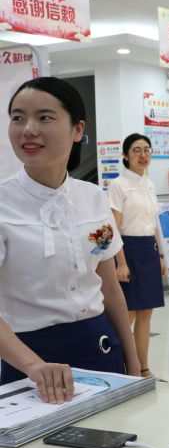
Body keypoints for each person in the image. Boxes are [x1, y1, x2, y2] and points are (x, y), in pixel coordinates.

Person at [0, 77, 140, 393]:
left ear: (78, 130)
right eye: (18, 118)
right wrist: (32, 365)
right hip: (29, 363)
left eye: (44, 117)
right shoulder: (3, 204)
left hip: (101, 349)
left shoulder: (93, 198)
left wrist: (134, 364)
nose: (28, 129)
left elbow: (110, 288)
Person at [108, 133, 166, 379]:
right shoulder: (118, 185)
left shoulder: (149, 184)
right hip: (127, 251)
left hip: (148, 250)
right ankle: (123, 369)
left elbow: (153, 223)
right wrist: (120, 263)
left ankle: (143, 369)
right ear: (125, 155)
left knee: (146, 313)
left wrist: (160, 255)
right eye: (136, 150)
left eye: (146, 150)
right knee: (127, 314)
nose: (143, 155)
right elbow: (113, 227)